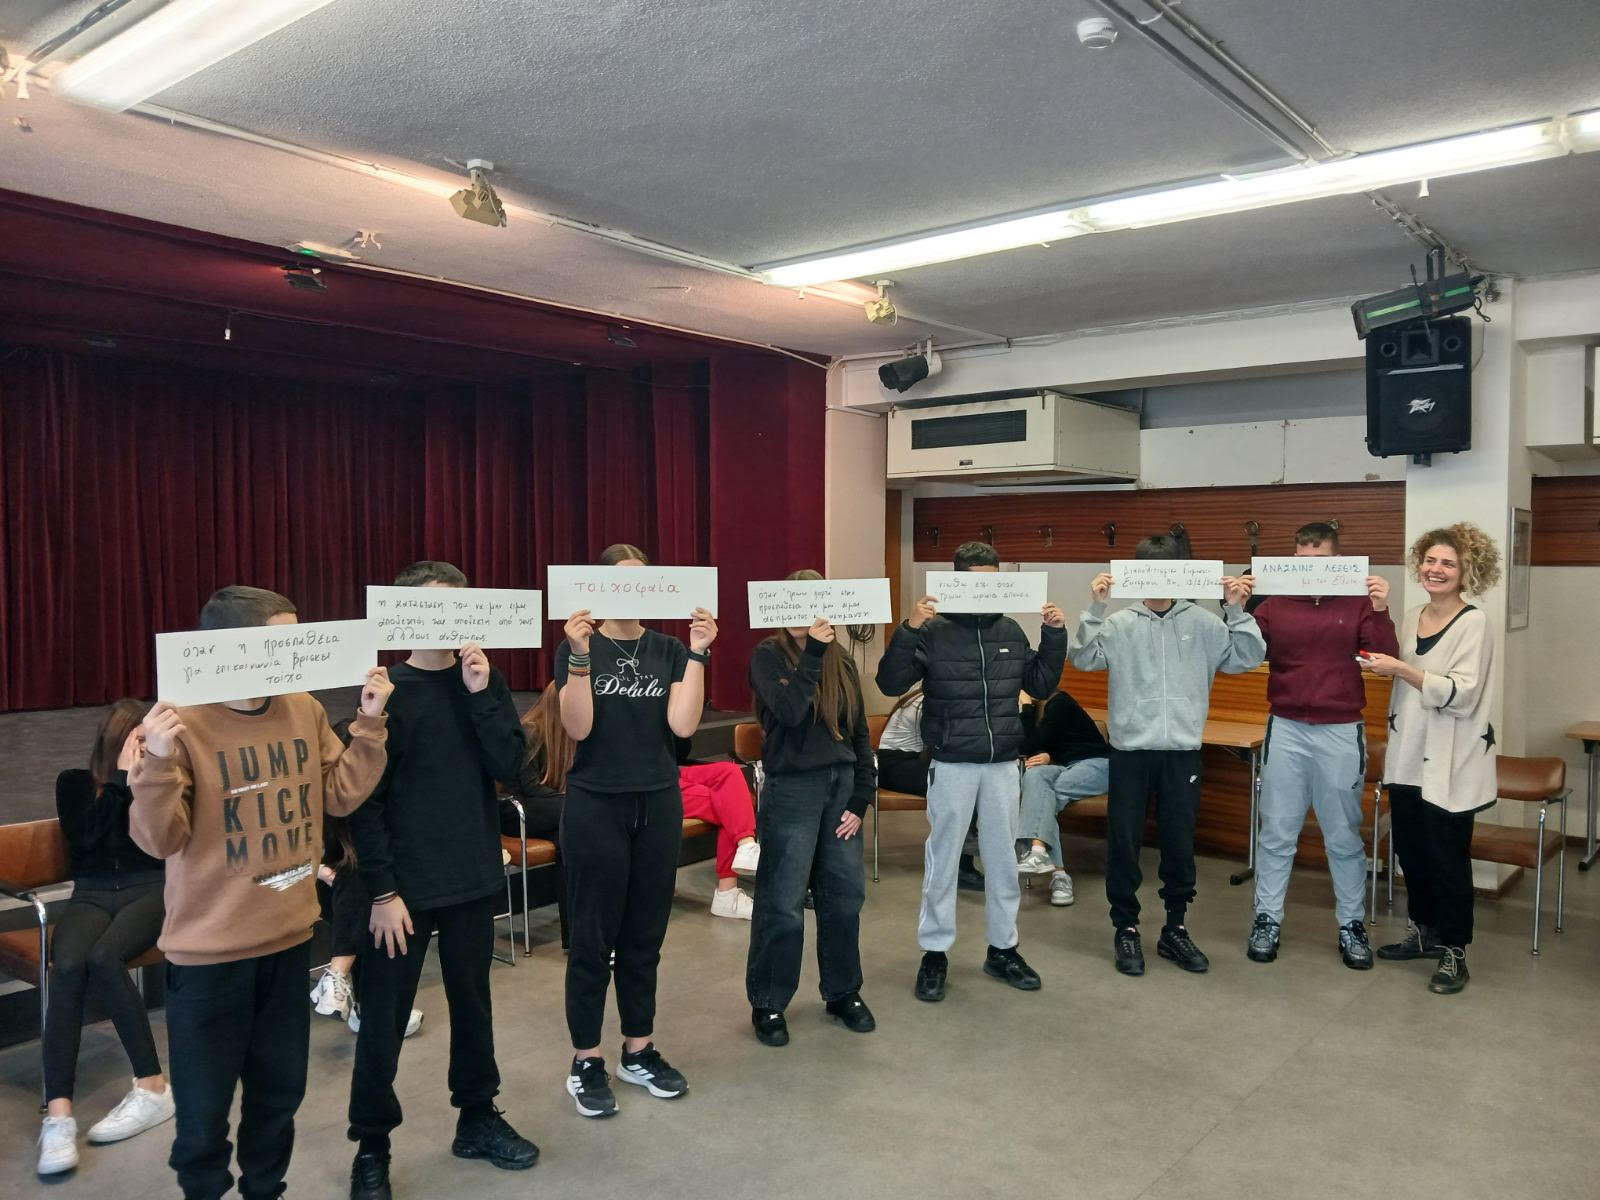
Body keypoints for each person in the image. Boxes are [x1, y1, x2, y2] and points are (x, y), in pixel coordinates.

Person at [130, 585, 392, 1200]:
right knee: (203, 1115)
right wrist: (158, 762)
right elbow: (157, 839)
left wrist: (370, 724)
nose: (295, 654)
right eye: (283, 640)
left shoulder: (301, 708)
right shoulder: (179, 724)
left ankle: (265, 1190)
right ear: (234, 645)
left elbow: (339, 796)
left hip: (288, 941)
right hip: (208, 956)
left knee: (278, 1097)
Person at [345, 561, 537, 1200]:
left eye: (459, 606)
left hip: (472, 875)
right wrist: (381, 891)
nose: (449, 619)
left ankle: (477, 1118)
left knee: (474, 1006)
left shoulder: (483, 679)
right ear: (404, 613)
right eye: (435, 606)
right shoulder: (388, 691)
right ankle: (372, 1146)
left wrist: (482, 693)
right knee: (383, 1020)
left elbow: (510, 764)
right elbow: (363, 803)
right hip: (401, 889)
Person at [558, 543, 717, 1118]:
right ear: (599, 587)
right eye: (621, 581)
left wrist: (698, 653)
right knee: (592, 939)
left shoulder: (669, 648)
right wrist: (580, 657)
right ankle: (586, 1060)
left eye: (643, 580)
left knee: (645, 936)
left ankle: (638, 1050)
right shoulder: (578, 645)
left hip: (657, 803)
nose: (633, 590)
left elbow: (683, 725)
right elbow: (578, 727)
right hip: (596, 804)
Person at [875, 541, 1068, 1003]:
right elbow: (889, 682)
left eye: (994, 581)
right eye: (978, 581)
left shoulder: (1010, 629)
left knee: (1002, 860)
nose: (987, 589)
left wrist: (1054, 635)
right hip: (951, 762)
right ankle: (934, 953)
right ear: (958, 581)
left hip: (1002, 763)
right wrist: (909, 627)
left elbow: (1041, 683)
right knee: (943, 859)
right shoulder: (933, 631)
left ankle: (1003, 949)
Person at [1070, 536, 1264, 976]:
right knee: (1124, 841)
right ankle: (1126, 927)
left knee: (1179, 841)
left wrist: (1236, 610)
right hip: (1130, 752)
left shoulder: (1204, 623)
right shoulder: (1118, 624)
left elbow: (1249, 657)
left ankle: (1175, 927)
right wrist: (1095, 607)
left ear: (1181, 572)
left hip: (1181, 752)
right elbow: (1081, 659)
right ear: (1137, 572)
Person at [1243, 522, 1398, 969]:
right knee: (1277, 831)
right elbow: (1245, 653)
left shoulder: (1358, 602)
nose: (1311, 568)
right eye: (1303, 560)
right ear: (1293, 560)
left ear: (1338, 561)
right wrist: (1236, 607)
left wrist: (1381, 610)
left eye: (1321, 561)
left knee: (1343, 835)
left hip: (1341, 728)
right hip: (1287, 726)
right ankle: (1267, 919)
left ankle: (1351, 925)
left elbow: (1384, 659)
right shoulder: (1274, 602)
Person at [1364, 523, 1501, 995]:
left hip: (1450, 762)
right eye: (1430, 560)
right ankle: (1423, 932)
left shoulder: (1474, 623)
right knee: (1412, 852)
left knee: (1448, 859)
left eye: (1448, 563)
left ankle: (1454, 949)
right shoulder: (1413, 615)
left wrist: (1402, 668)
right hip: (1407, 757)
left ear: (1467, 572)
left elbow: (1462, 694)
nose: (1435, 569)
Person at [37, 700, 173, 1176]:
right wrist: (118, 782)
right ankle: (58, 1116)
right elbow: (85, 839)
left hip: (150, 889)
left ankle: (153, 1086)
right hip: (91, 894)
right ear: (115, 740)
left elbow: (161, 844)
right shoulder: (75, 783)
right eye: (138, 739)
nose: (145, 748)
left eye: (149, 740)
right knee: (69, 963)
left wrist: (141, 780)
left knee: (104, 957)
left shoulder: (158, 780)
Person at [746, 573, 876, 1047]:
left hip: (841, 789)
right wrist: (814, 653)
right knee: (782, 902)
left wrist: (861, 797)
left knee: (843, 896)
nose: (803, 612)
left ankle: (843, 991)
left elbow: (858, 732)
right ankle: (769, 1001)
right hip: (792, 789)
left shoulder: (842, 660)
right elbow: (789, 711)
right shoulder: (768, 655)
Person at [308, 815, 423, 1040]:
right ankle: (365, 1004)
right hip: (310, 883)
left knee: (363, 883)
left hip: (348, 891)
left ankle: (348, 990)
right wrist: (317, 870)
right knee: (361, 883)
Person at [877, 690, 983, 892]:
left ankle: (963, 849)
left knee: (964, 781)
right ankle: (962, 864)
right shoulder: (927, 702)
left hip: (907, 762)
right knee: (960, 785)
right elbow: (941, 743)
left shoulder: (928, 696)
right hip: (897, 766)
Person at [1014, 690, 1111, 908]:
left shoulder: (1060, 702)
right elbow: (1039, 744)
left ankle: (1047, 863)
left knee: (1044, 795)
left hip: (1098, 765)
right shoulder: (1044, 710)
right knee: (1034, 777)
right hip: (1066, 767)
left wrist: (1026, 707)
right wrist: (1048, 755)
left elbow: (1028, 744)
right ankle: (1050, 865)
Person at [680, 759, 761, 918]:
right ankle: (727, 896)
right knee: (733, 804)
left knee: (730, 772)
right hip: (651, 784)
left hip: (673, 770)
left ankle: (747, 846)